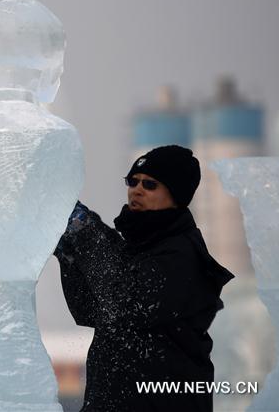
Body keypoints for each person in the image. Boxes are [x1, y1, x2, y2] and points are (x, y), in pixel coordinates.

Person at [54, 145, 234, 412]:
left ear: (176, 195)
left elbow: (127, 305)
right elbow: (90, 311)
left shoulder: (181, 255)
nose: (136, 190)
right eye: (132, 181)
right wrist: (69, 254)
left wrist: (86, 232)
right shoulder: (136, 250)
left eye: (150, 184)